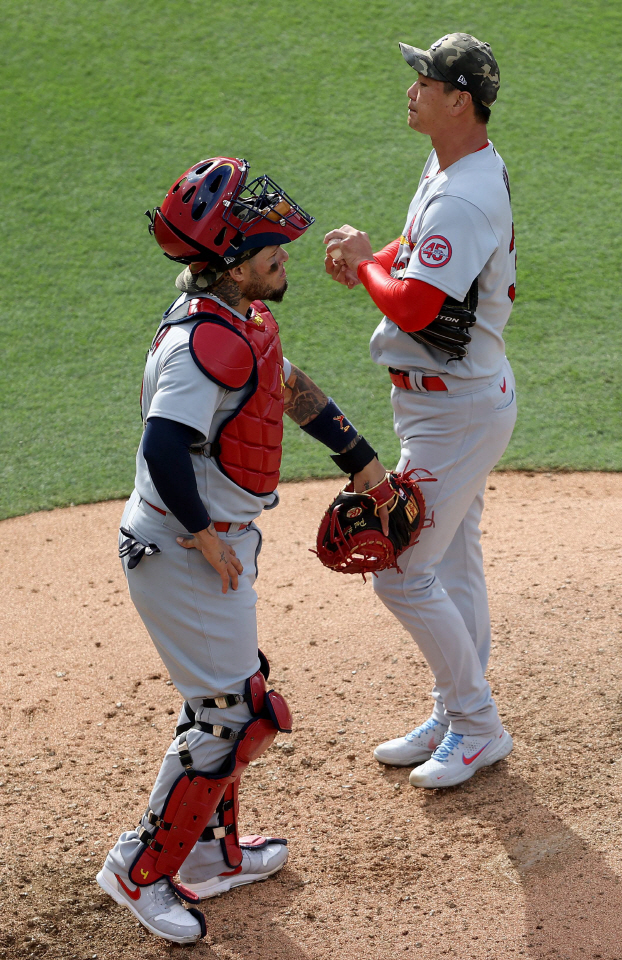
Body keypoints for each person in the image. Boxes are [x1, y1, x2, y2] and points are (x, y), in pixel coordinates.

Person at [96, 156, 386, 944]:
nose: (281, 252)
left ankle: (211, 855)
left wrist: (358, 456)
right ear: (228, 262)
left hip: (211, 546)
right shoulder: (202, 346)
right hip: (183, 550)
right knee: (234, 716)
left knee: (234, 701)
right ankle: (140, 869)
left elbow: (284, 387)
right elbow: (162, 447)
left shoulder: (239, 322)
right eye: (268, 247)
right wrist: (202, 538)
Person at [324, 34, 518, 790]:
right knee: (452, 560)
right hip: (449, 404)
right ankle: (455, 710)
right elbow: (422, 250)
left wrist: (374, 265)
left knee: (400, 567)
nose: (411, 88)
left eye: (425, 79)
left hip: (458, 411)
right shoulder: (456, 164)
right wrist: (381, 258)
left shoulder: (468, 191)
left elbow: (414, 302)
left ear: (459, 98)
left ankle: (476, 723)